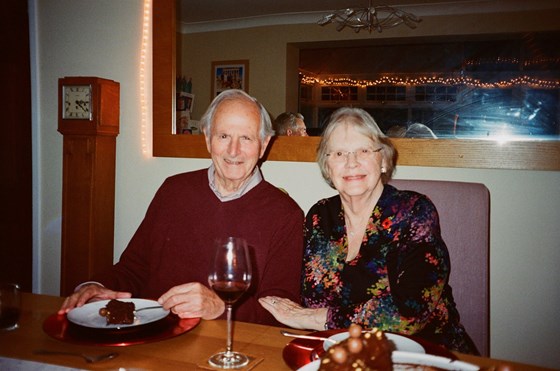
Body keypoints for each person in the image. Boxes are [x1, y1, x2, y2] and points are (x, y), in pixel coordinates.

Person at [59, 89, 304, 326]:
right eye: (223, 136)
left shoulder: (286, 215)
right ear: (207, 138)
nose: (233, 150)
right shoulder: (173, 190)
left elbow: (280, 311)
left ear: (263, 144)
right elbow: (134, 268)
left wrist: (221, 307)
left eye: (246, 138)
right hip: (152, 335)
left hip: (228, 350)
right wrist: (95, 287)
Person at [259, 107, 479, 354]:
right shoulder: (320, 216)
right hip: (345, 355)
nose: (351, 162)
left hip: (424, 355)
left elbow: (411, 312)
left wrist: (317, 318)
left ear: (383, 160)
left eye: (363, 150)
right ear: (327, 166)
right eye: (339, 153)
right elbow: (304, 294)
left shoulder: (413, 212)